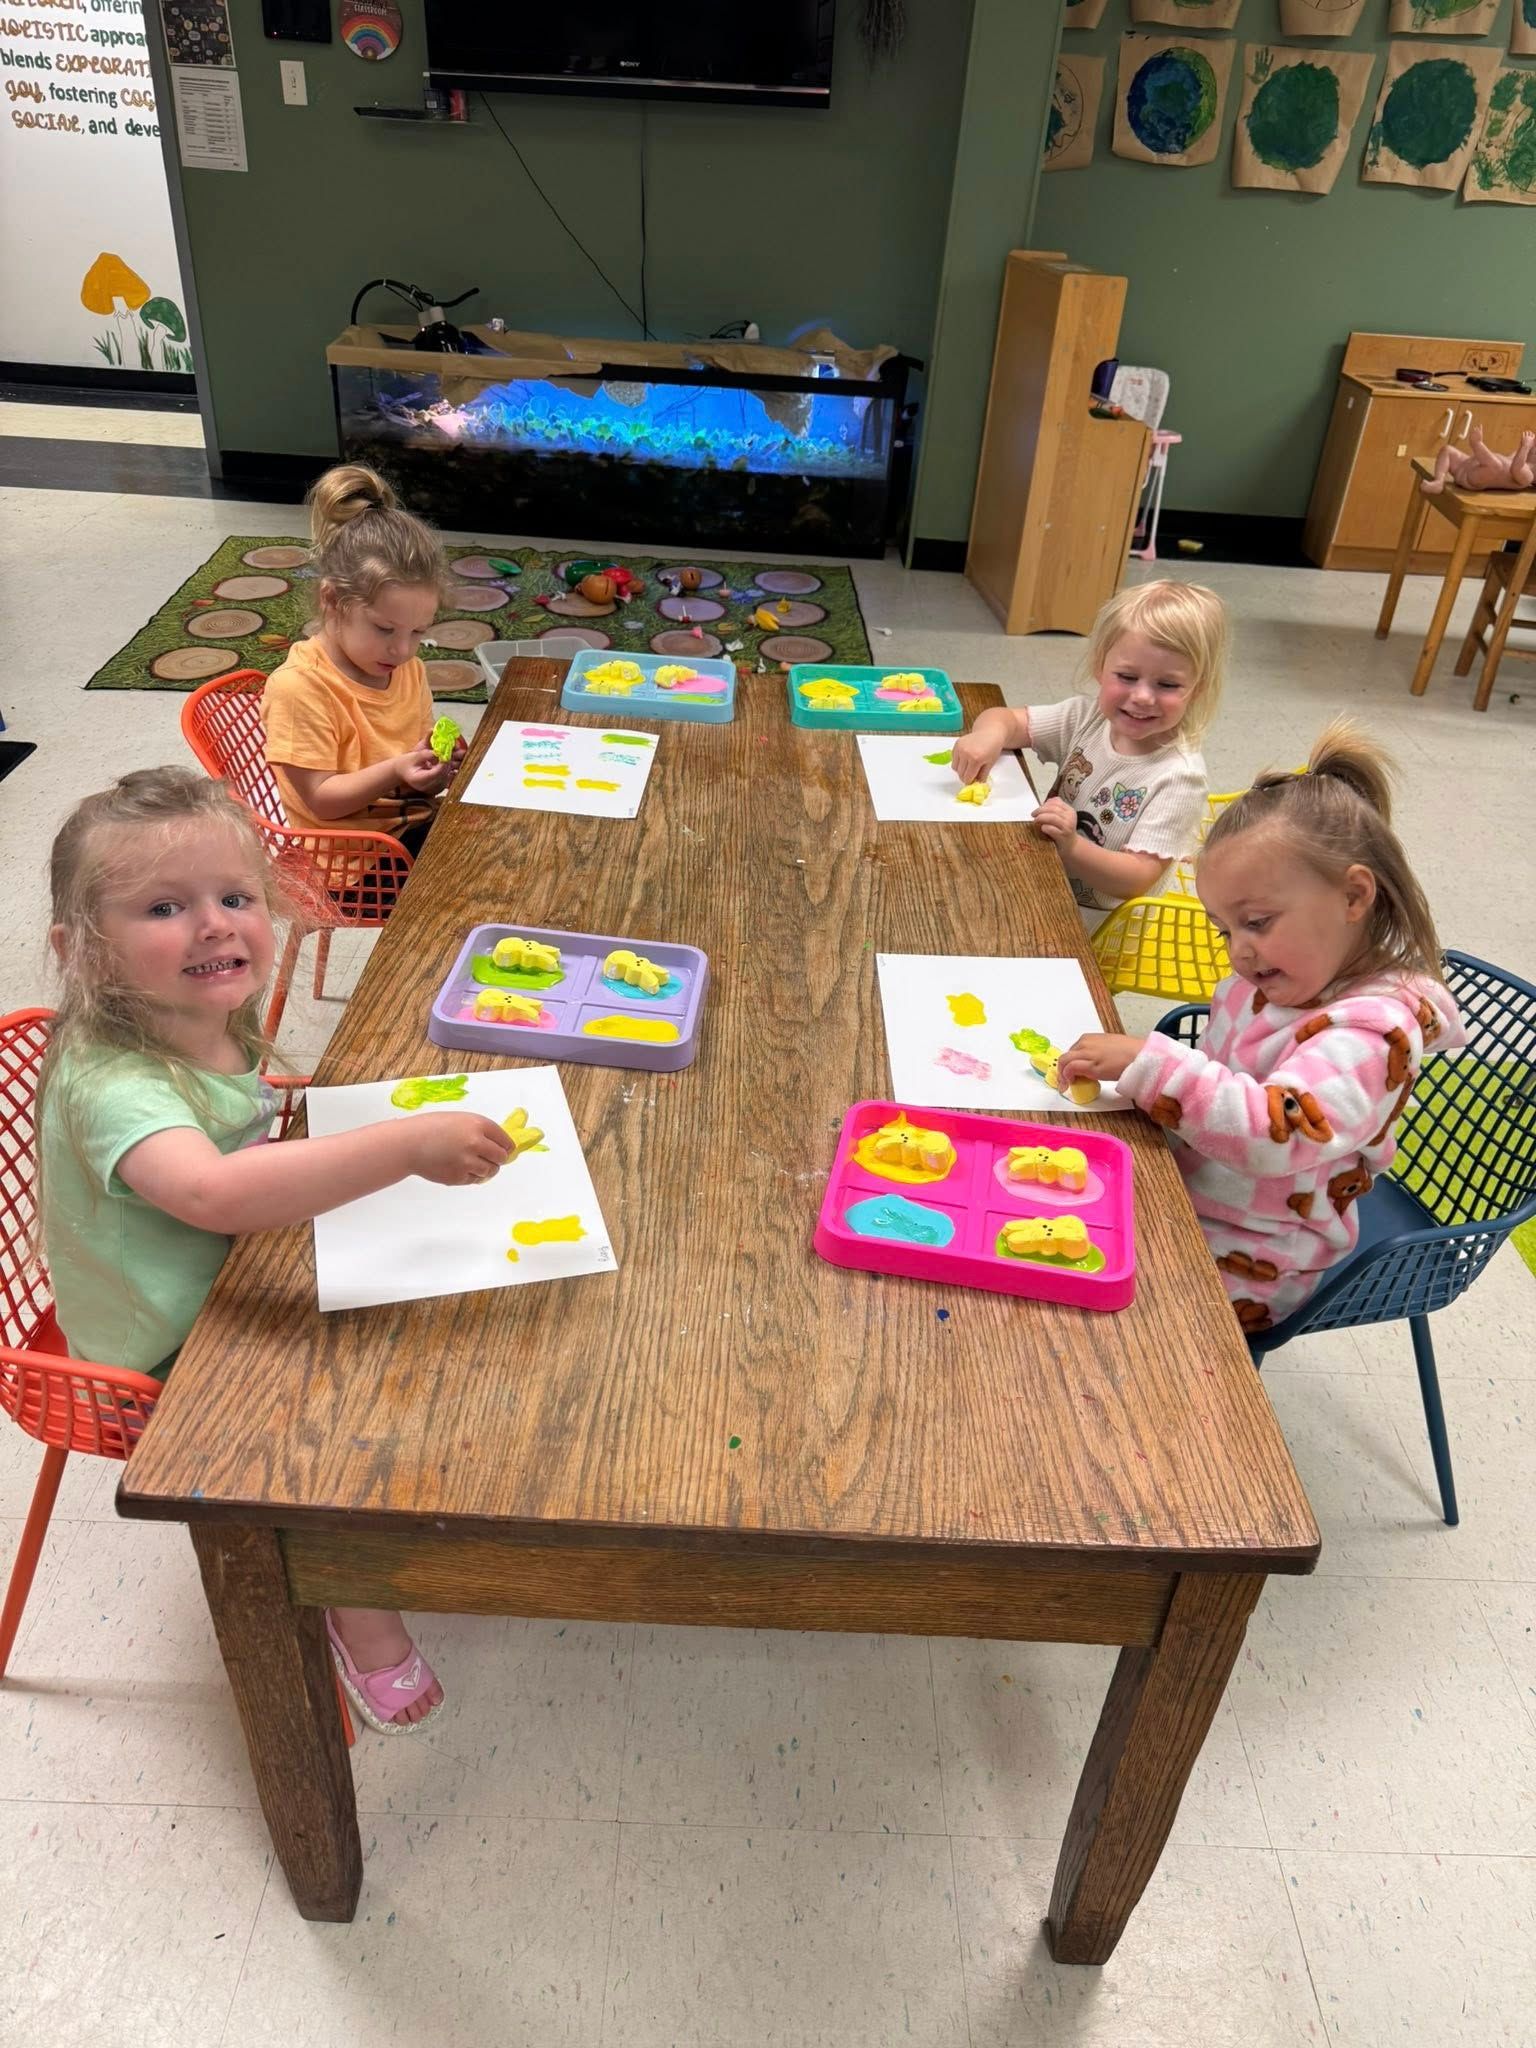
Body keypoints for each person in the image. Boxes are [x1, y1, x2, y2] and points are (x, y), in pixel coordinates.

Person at [37, 767, 513, 1731]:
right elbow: (210, 1192)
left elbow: (238, 1141)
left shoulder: (199, 1015)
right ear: (81, 952)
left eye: (235, 897)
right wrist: (403, 1147)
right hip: (165, 1348)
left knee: (447, 1319)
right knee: (327, 1435)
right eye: (166, 907)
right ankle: (356, 1610)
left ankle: (398, 1527)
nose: (214, 925)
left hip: (240, 1274)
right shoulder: (115, 1081)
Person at [1058, 722, 1465, 1337]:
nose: (1239, 953)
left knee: (1093, 1320)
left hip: (1260, 1259)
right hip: (1192, 1190)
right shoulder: (1282, 975)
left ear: (1354, 897)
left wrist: (1156, 1066)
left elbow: (1274, 1133)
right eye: (1226, 930)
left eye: (1256, 922)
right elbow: (1223, 1074)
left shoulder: (1376, 1034)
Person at [949, 580, 1229, 921]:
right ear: (1100, 666)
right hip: (1050, 878)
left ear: (1197, 689)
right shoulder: (1087, 717)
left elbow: (1136, 879)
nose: (1142, 696)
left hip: (1103, 920)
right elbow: (1005, 719)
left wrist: (1071, 847)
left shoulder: (1179, 777)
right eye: (1127, 677)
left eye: (1167, 684)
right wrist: (988, 735)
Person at [262, 463, 464, 857]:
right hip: (355, 859)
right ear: (332, 600)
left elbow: (410, 772)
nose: (403, 650)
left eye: (418, 632)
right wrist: (396, 771)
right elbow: (321, 798)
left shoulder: (407, 670)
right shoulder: (300, 687)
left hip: (411, 824)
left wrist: (431, 767)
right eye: (385, 629)